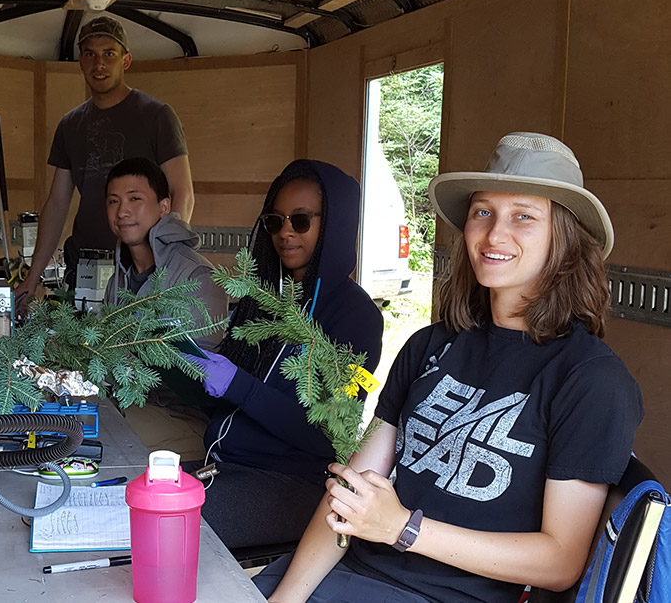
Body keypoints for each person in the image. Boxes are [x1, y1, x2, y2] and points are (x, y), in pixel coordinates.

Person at [256, 132, 644, 603]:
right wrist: (285, 599)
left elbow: (560, 561)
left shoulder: (590, 379)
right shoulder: (429, 346)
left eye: (524, 216)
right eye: (483, 212)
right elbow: (349, 493)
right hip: (351, 574)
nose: (495, 234)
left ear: (564, 239)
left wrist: (403, 528)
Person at [184, 159, 385, 550]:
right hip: (227, 466)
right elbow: (234, 404)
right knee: (134, 497)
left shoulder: (356, 317)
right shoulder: (264, 299)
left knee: (166, 522)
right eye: (276, 222)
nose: (286, 234)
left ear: (334, 224)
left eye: (301, 221)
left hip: (295, 485)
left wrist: (238, 385)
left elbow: (325, 434)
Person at [15, 16, 193, 300]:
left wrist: (164, 263)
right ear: (80, 62)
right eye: (90, 54)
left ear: (126, 61)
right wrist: (32, 277)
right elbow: (57, 203)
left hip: (140, 271)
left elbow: (181, 192)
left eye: (109, 53)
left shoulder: (157, 116)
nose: (99, 64)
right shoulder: (70, 124)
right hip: (83, 266)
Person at [103, 157, 227, 350]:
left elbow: (205, 370)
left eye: (134, 199)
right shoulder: (118, 279)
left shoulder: (198, 277)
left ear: (164, 207)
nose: (122, 212)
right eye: (113, 201)